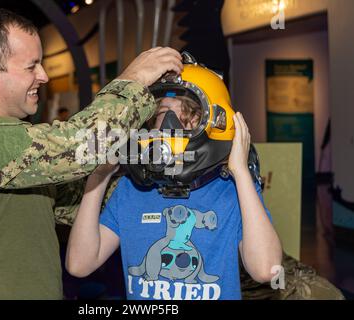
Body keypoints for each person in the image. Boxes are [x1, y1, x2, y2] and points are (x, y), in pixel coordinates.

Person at [0, 7, 183, 299]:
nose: (44, 76)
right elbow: (79, 146)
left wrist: (173, 183)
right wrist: (133, 80)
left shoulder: (13, 149)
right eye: (31, 66)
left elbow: (78, 199)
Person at [66, 94, 283, 300]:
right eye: (165, 111)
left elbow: (266, 270)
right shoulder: (130, 190)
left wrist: (242, 174)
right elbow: (79, 264)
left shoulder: (231, 190)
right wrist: (99, 177)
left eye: (190, 116)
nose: (174, 125)